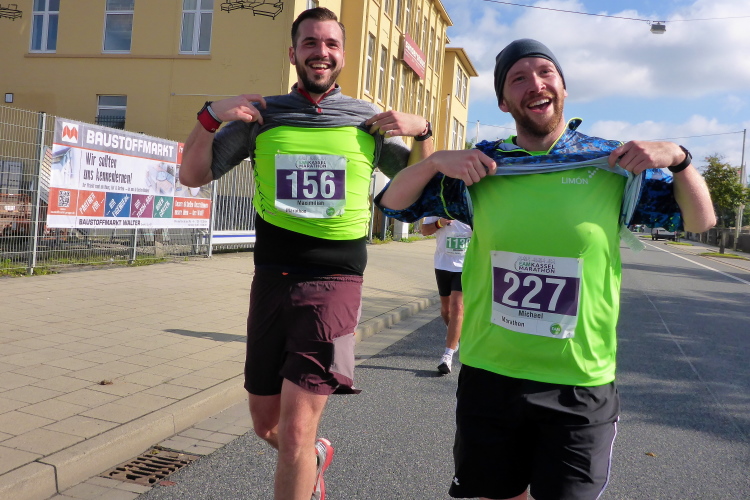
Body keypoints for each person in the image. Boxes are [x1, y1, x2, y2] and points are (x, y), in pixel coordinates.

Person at [376, 39, 715, 500]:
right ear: (503, 102)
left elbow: (700, 221)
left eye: (545, 72)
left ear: (563, 87)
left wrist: (680, 158)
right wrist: (436, 161)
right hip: (492, 372)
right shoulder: (484, 166)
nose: (535, 84)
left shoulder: (611, 162)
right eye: (518, 79)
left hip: (579, 378)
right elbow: (394, 206)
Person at [179, 8, 434, 500]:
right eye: (311, 43)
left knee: (295, 432)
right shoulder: (263, 115)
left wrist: (422, 133)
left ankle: (305, 456)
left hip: (336, 282)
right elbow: (192, 175)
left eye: (331, 44)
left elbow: (417, 194)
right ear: (293, 52)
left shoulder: (367, 121)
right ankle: (315, 456)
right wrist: (209, 117)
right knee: (266, 424)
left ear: (344, 55)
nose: (322, 52)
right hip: (272, 278)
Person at [420, 216, 472, 374]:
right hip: (443, 265)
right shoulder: (438, 208)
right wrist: (439, 223)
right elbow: (424, 231)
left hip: (465, 265)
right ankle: (454, 336)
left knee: (457, 307)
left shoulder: (471, 210)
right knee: (446, 310)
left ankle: (447, 356)